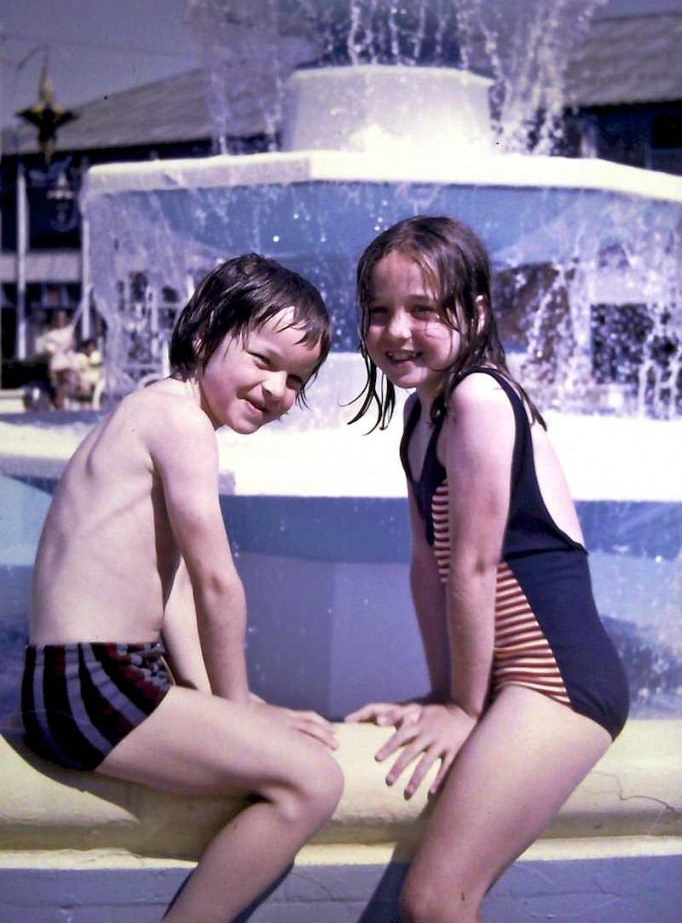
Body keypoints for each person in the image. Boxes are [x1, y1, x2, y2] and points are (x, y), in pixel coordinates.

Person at [21, 253, 344, 923]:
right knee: (313, 781)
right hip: (92, 681)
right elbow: (217, 584)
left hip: (78, 680)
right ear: (203, 336)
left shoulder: (148, 412)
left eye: (296, 379)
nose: (277, 388)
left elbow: (170, 593)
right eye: (262, 359)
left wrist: (218, 696)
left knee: (287, 757)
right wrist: (236, 710)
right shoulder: (181, 421)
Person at [347, 216, 629, 923]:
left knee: (437, 898)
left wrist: (463, 711)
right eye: (378, 312)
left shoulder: (479, 398)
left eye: (422, 309)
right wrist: (442, 692)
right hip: (511, 686)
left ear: (473, 313)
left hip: (557, 682)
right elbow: (428, 570)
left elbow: (475, 566)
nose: (395, 330)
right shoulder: (419, 420)